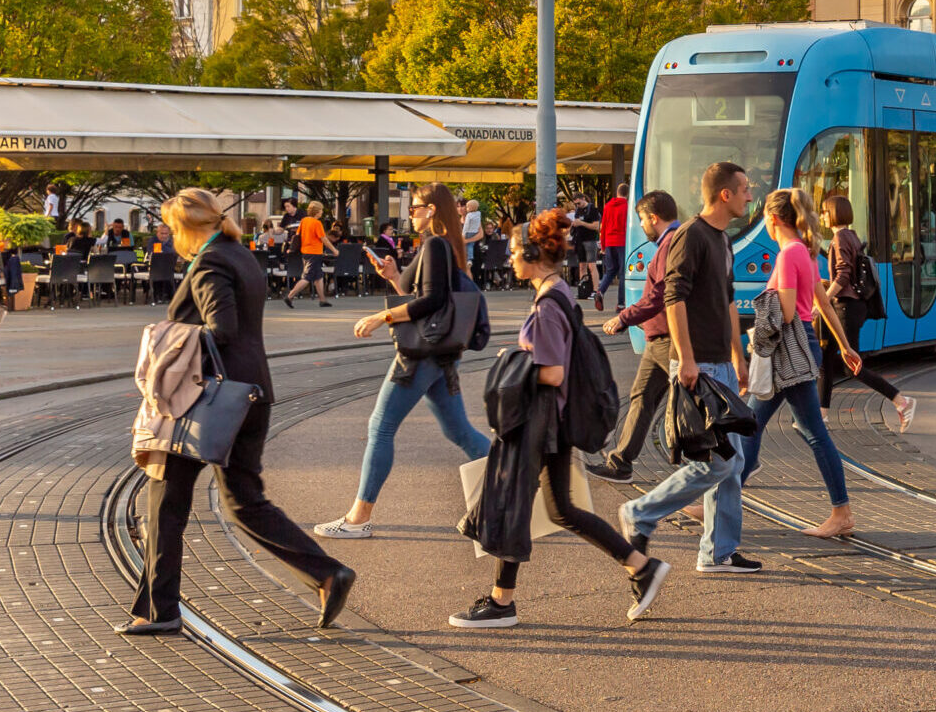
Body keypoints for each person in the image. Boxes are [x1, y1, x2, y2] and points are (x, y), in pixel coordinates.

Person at [118, 190, 353, 635]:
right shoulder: (239, 254)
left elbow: (221, 329)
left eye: (171, 229)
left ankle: (158, 609)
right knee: (245, 500)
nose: (170, 240)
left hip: (202, 398)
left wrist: (171, 339)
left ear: (187, 227)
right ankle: (326, 573)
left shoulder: (209, 262)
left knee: (166, 500)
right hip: (251, 393)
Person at [451, 210, 666, 628]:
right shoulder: (559, 290)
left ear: (532, 254)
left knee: (514, 503)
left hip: (541, 421)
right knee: (560, 508)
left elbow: (552, 372)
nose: (510, 258)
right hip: (554, 421)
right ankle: (640, 566)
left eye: (515, 252)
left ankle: (501, 604)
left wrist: (511, 358)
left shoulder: (547, 306)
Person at [314, 185, 494, 539]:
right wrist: (394, 277)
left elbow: (430, 302)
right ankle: (517, 482)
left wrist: (382, 318)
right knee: (459, 432)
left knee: (380, 427)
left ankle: (358, 519)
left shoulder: (435, 245)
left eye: (415, 208)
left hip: (421, 356)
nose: (411, 213)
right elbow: (424, 299)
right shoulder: (440, 247)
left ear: (432, 210)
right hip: (439, 353)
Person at [618, 160, 761, 578]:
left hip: (722, 363)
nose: (750, 195)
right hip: (699, 364)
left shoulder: (724, 241)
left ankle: (718, 552)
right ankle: (640, 513)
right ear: (725, 195)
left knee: (731, 462)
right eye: (745, 188)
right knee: (717, 464)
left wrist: (739, 355)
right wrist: (686, 359)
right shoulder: (691, 237)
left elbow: (729, 302)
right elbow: (673, 299)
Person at [738, 189, 852, 539]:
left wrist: (757, 323)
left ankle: (842, 514)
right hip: (800, 348)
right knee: (751, 423)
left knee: (813, 433)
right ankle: (722, 496)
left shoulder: (789, 255)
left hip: (789, 351)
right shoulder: (805, 251)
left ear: (773, 219)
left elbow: (787, 313)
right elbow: (823, 305)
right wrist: (846, 347)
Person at [586, 191, 682, 483]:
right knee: (643, 397)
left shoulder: (669, 245)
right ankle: (621, 462)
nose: (641, 226)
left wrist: (623, 317)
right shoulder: (671, 241)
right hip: (659, 338)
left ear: (654, 217)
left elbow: (658, 296)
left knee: (690, 403)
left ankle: (735, 457)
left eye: (642, 219)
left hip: (669, 338)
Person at [814, 195, 914, 432]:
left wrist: (822, 301)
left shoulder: (839, 238)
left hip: (845, 307)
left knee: (852, 366)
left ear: (834, 213)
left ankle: (901, 401)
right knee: (825, 357)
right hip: (847, 305)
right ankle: (822, 416)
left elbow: (844, 275)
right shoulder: (851, 235)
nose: (822, 216)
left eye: (825, 212)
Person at [283, 200, 333, 310]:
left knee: (319, 276)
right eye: (321, 211)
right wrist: (334, 250)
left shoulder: (304, 221)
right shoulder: (317, 223)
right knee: (307, 277)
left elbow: (297, 235)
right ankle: (290, 296)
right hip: (314, 252)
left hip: (305, 252)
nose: (322, 213)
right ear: (316, 212)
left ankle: (322, 300)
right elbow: (323, 239)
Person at [593, 192, 628, 310]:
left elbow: (604, 226)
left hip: (609, 242)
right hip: (622, 242)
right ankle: (621, 304)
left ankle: (600, 292)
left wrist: (603, 246)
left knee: (610, 271)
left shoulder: (607, 206)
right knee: (622, 274)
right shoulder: (627, 206)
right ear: (627, 194)